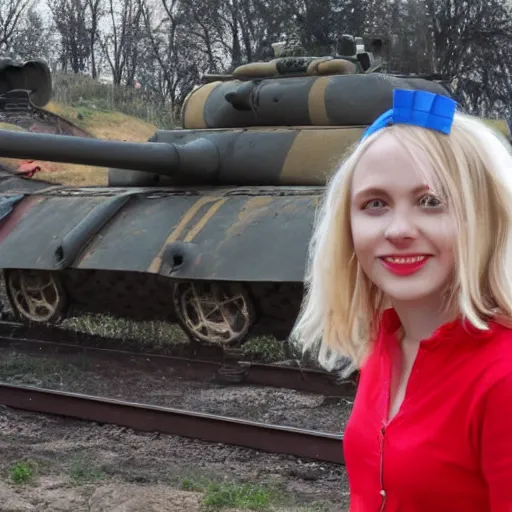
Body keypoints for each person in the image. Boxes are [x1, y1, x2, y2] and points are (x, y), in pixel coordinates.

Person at [290, 89, 512, 511]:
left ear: (482, 216)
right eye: (376, 204)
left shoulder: (504, 377)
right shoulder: (385, 346)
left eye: (431, 202)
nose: (398, 229)